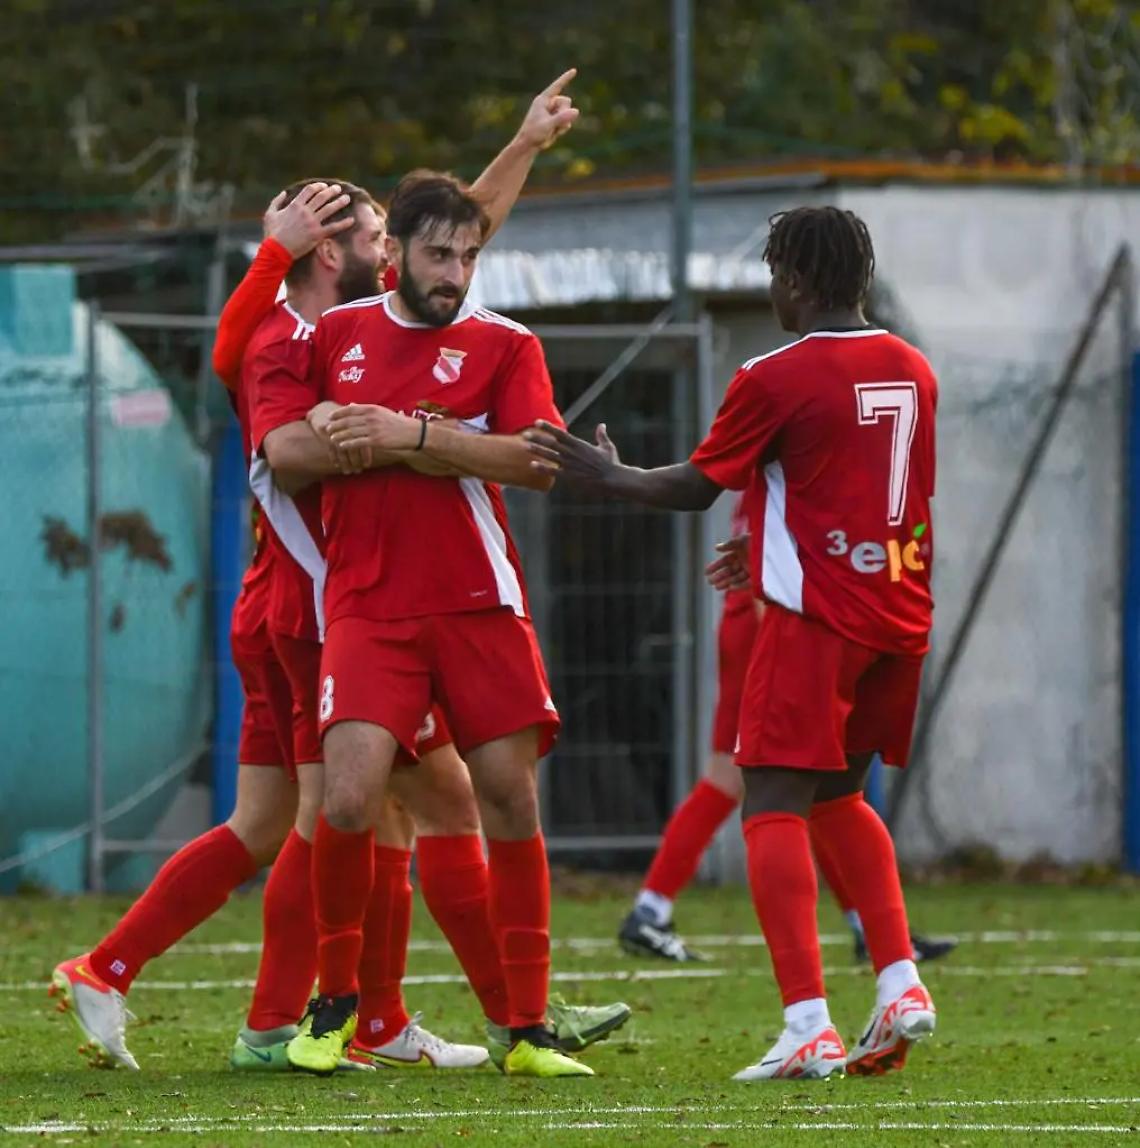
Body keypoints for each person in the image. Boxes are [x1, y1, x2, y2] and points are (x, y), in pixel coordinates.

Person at [47, 76, 586, 1071]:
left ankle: (172, 980)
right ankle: (434, 1011)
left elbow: (457, 237)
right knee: (373, 807)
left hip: (306, 603)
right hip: (317, 605)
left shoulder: (359, 321)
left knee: (290, 818)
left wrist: (522, 145)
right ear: (336, 249)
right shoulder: (293, 339)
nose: (405, 256)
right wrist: (396, 435)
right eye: (381, 235)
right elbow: (274, 423)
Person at [526, 205, 939, 1081]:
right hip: (897, 614)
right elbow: (864, 492)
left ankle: (807, 1024)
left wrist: (609, 474)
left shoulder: (774, 373)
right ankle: (901, 982)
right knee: (840, 799)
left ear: (792, 276)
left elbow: (696, 487)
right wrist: (771, 545)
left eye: (773, 273)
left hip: (814, 621)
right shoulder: (913, 367)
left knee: (771, 804)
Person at [239, 172, 629, 1071]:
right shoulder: (333, 335)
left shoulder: (506, 344)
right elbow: (281, 447)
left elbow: (537, 461)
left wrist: (415, 437)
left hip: (477, 601)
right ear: (395, 255)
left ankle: (524, 1029)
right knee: (344, 794)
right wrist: (340, 428)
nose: (455, 272)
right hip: (368, 605)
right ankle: (336, 1007)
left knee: (505, 795)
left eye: (469, 256)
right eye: (439, 254)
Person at [619, 499, 957, 968]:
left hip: (761, 620)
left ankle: (865, 924)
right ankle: (651, 910)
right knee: (767, 780)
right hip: (770, 623)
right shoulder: (794, 453)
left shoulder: (777, 451)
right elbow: (776, 542)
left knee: (809, 784)